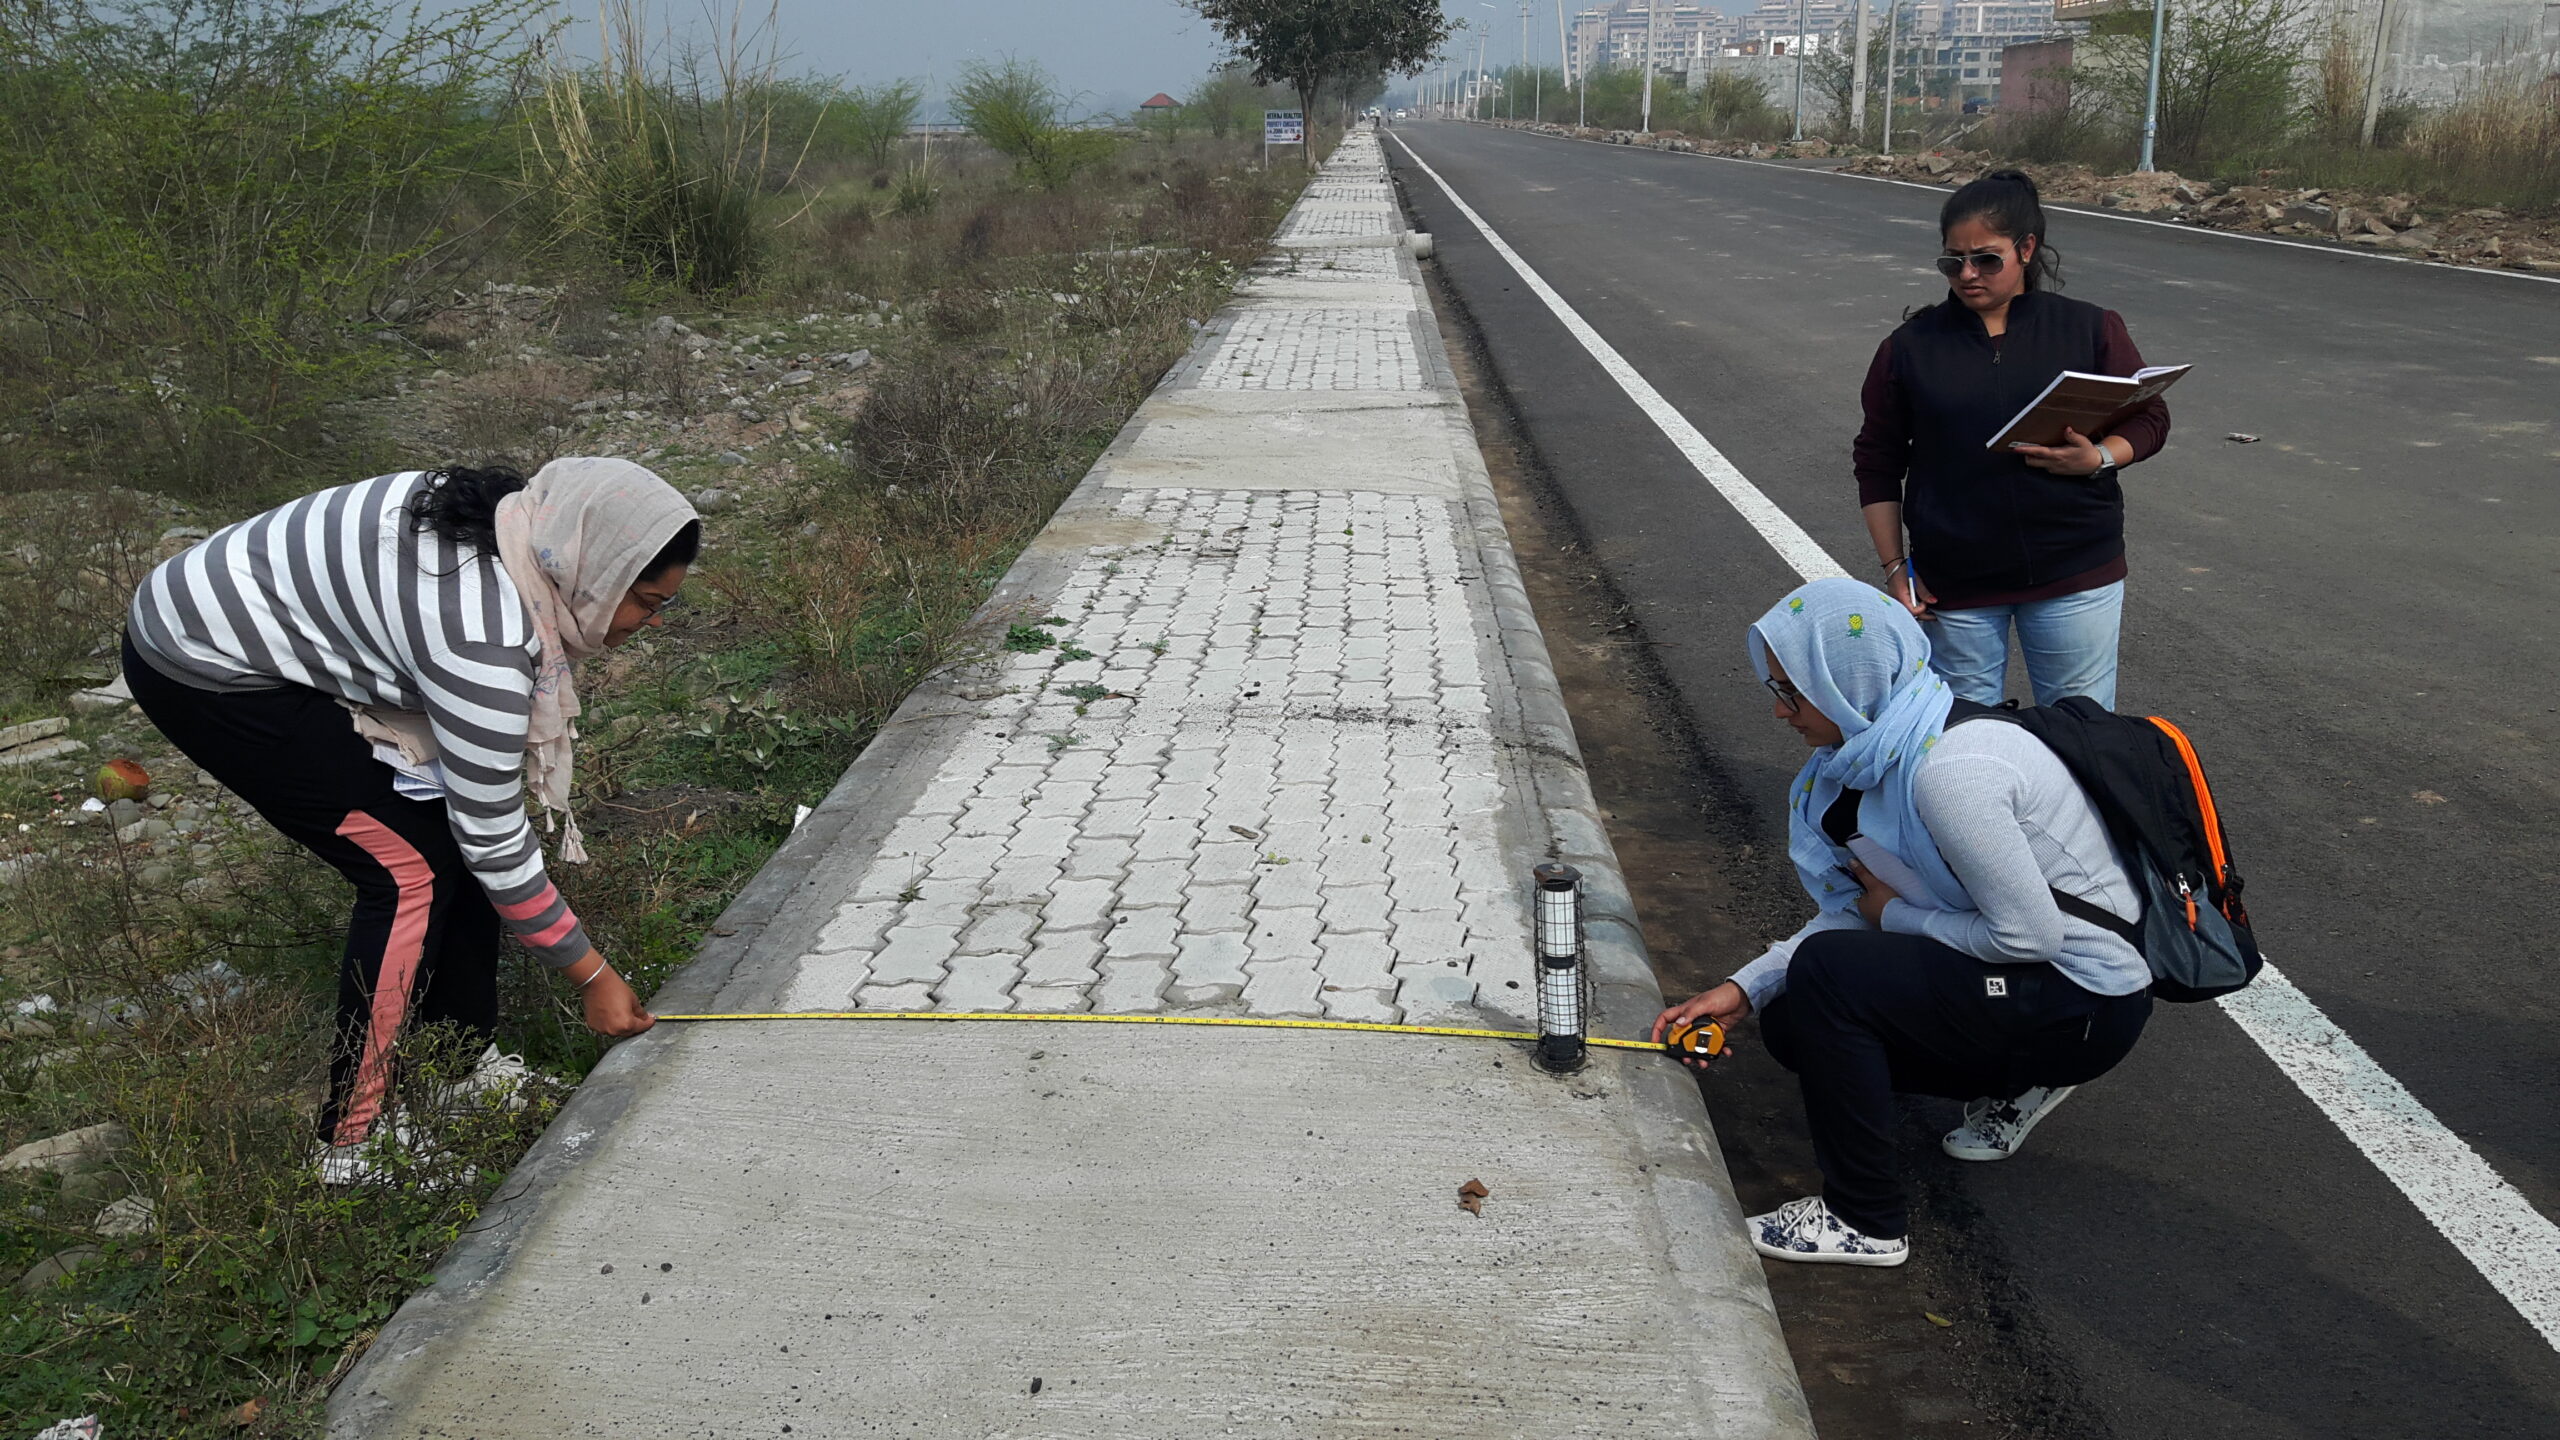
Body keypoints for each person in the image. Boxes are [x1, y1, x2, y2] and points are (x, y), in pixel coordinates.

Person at [123, 457, 698, 1181]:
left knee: (443, 822)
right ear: (594, 571)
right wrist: (592, 975)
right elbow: (492, 838)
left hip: (243, 610)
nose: (647, 624)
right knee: (408, 870)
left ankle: (459, 1063)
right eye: (645, 601)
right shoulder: (484, 637)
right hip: (204, 664)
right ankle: (348, 1145)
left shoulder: (523, 528)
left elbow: (479, 814)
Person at [1651, 578, 2154, 1266]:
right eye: (1776, 689)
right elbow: (1851, 913)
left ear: (1846, 683)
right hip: (2025, 974)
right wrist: (1744, 989)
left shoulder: (1950, 773)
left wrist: (1896, 915)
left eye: (1792, 692)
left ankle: (1865, 1219)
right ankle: (2004, 1074)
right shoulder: (1875, 756)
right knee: (1794, 1019)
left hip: (2086, 999)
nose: (1781, 714)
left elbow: (2028, 936)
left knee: (1830, 978)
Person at [1854, 170, 2171, 709]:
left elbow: (2148, 417)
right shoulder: (1910, 349)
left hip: (2075, 571)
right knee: (1962, 741)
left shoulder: (2089, 329)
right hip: (1954, 582)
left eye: (1986, 259)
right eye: (1953, 262)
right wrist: (1894, 568)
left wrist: (2096, 458)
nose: (1968, 274)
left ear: (2027, 249)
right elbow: (1877, 461)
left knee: (2082, 734)